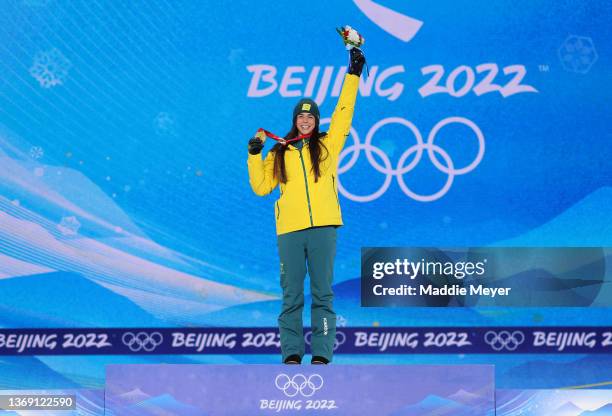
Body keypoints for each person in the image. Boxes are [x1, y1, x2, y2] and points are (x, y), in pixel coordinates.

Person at [247, 35, 366, 365]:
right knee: (291, 296)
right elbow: (260, 187)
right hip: (289, 231)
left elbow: (344, 110)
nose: (305, 120)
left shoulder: (328, 146)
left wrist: (353, 73)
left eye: (311, 117)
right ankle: (291, 355)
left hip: (323, 228)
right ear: (294, 121)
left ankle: (323, 355)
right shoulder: (279, 153)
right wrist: (255, 155)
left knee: (324, 295)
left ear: (316, 122)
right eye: (300, 117)